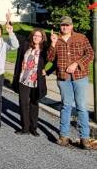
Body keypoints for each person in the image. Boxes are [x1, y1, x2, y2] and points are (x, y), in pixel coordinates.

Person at [48, 16, 94, 149]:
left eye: (67, 25)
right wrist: (53, 43)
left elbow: (90, 54)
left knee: (81, 106)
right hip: (63, 78)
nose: (65, 27)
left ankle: (84, 138)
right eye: (63, 25)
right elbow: (50, 58)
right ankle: (64, 136)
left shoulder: (81, 37)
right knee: (66, 106)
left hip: (80, 77)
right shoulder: (56, 39)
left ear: (72, 26)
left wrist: (76, 63)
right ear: (60, 26)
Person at [12, 28, 48, 136]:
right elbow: (15, 38)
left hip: (36, 80)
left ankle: (33, 128)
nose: (36, 37)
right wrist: (10, 29)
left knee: (34, 103)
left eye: (39, 36)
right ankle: (25, 128)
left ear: (42, 38)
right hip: (23, 79)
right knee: (23, 103)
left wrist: (48, 71)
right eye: (34, 35)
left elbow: (55, 59)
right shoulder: (25, 45)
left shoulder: (45, 49)